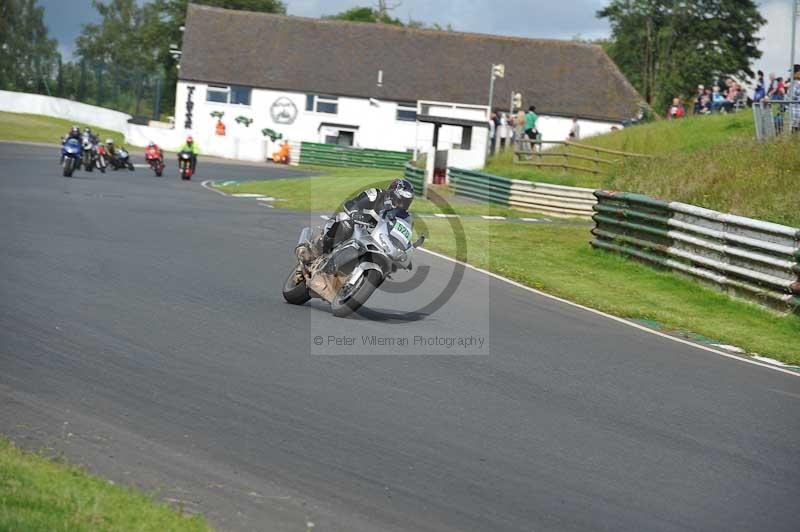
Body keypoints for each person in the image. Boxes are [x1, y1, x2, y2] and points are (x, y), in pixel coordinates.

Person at [297, 178, 415, 265]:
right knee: (346, 223)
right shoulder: (376, 194)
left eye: (406, 202)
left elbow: (403, 236)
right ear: (392, 194)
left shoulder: (404, 217)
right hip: (356, 224)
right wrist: (355, 213)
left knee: (389, 264)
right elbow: (353, 203)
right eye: (401, 200)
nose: (402, 205)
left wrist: (406, 249)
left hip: (375, 240)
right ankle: (317, 249)